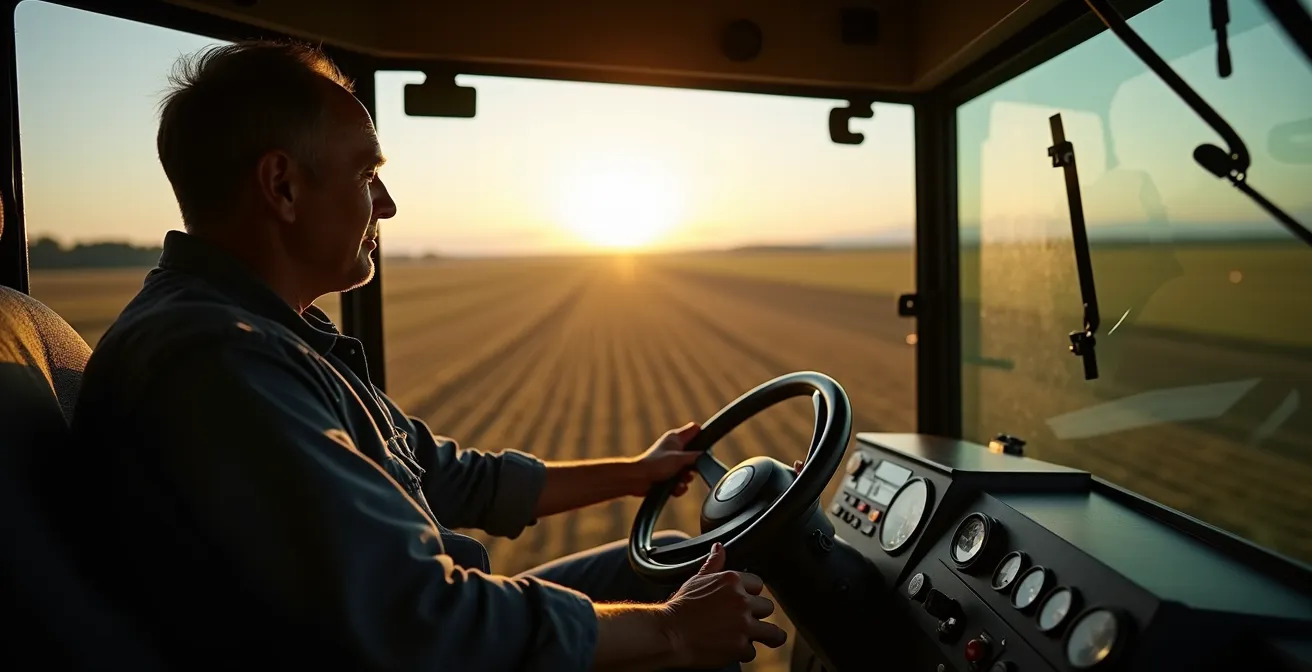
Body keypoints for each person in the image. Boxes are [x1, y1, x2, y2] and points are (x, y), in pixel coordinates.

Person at [67, 41, 787, 671]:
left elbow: (449, 478)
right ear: (282, 186)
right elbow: (422, 623)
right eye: (364, 174)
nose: (387, 204)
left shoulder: (264, 337)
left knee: (674, 566)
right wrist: (671, 633)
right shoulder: (220, 363)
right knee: (681, 604)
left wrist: (634, 474)